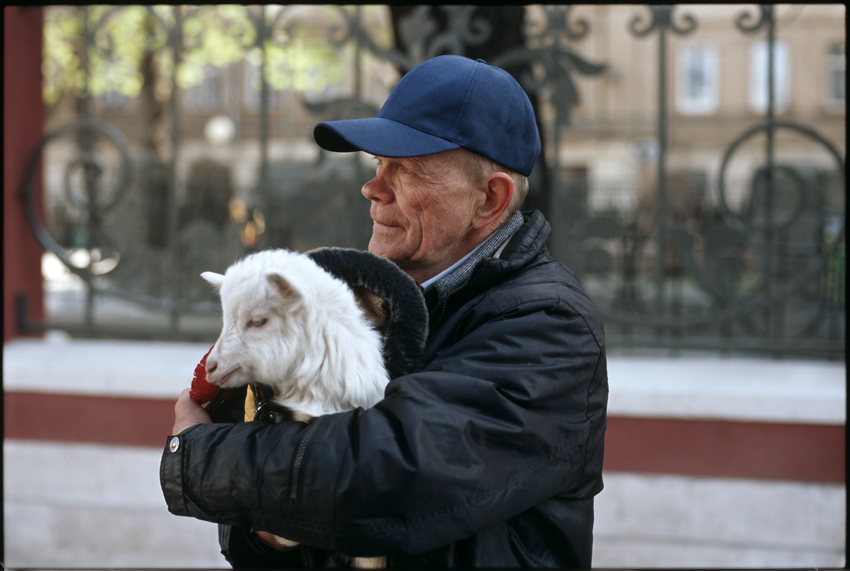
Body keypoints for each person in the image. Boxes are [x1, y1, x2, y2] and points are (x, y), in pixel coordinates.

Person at [161, 54, 608, 569]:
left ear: (489, 199)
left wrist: (198, 453)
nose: (372, 188)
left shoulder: (549, 323)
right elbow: (279, 517)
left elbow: (388, 475)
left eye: (406, 169)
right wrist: (265, 532)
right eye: (378, 164)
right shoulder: (362, 304)